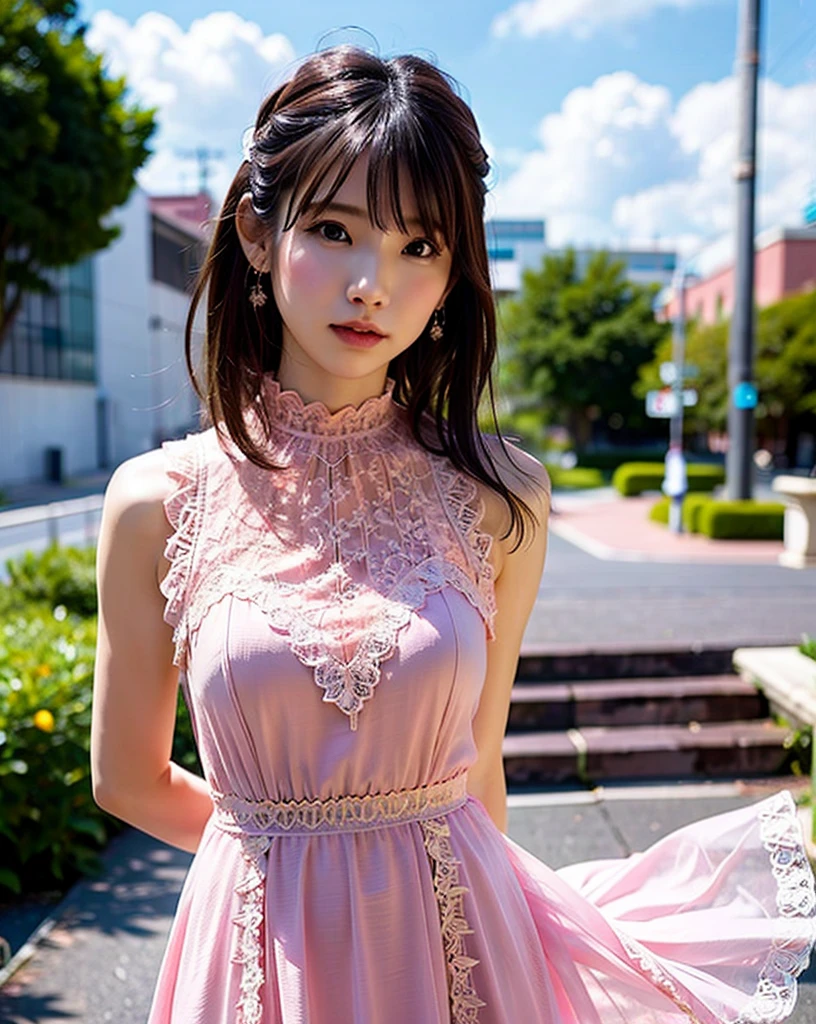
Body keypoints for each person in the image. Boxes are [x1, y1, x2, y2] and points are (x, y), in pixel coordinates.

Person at [90, 44, 815, 1024]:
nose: (371, 283)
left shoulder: (501, 493)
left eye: (419, 245)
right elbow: (126, 779)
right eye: (337, 229)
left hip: (457, 948)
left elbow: (480, 762)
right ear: (258, 234)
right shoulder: (159, 500)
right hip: (259, 949)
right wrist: (280, 854)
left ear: (453, 272)